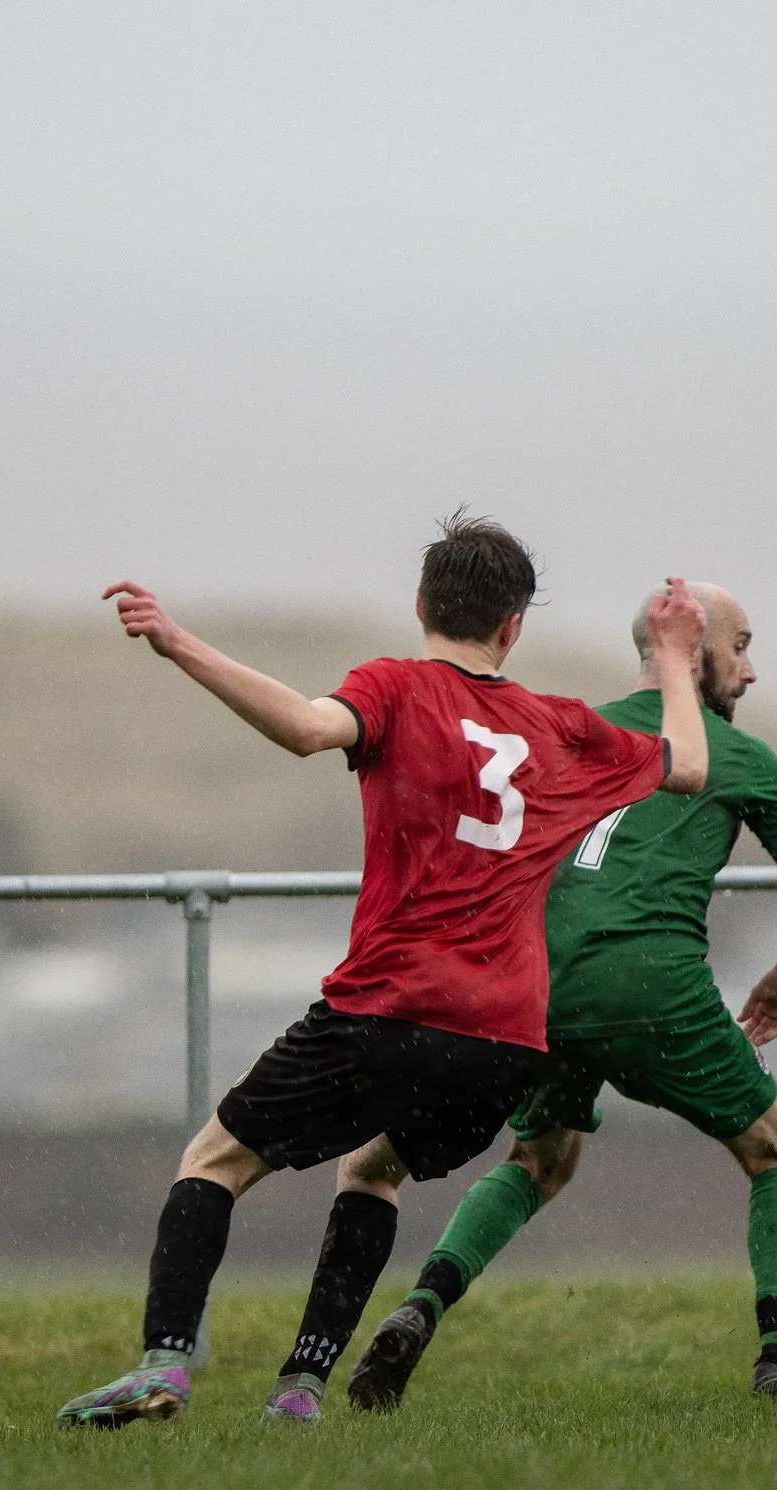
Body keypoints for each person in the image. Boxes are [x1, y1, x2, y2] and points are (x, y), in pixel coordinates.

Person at [58, 514, 713, 1429]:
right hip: (503, 1042)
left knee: (215, 1157)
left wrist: (175, 642)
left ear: (420, 605)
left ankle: (165, 1365)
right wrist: (679, 656)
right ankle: (300, 1388)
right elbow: (687, 763)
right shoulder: (560, 727)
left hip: (388, 1007)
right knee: (372, 1171)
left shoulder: (394, 689)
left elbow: (302, 727)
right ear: (513, 625)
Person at [338, 581, 777, 1410]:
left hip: (536, 982)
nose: (751, 672)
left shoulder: (569, 728)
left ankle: (419, 1308)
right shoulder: (737, 753)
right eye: (741, 645)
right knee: (775, 1150)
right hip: (651, 983)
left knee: (540, 1158)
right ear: (691, 652)